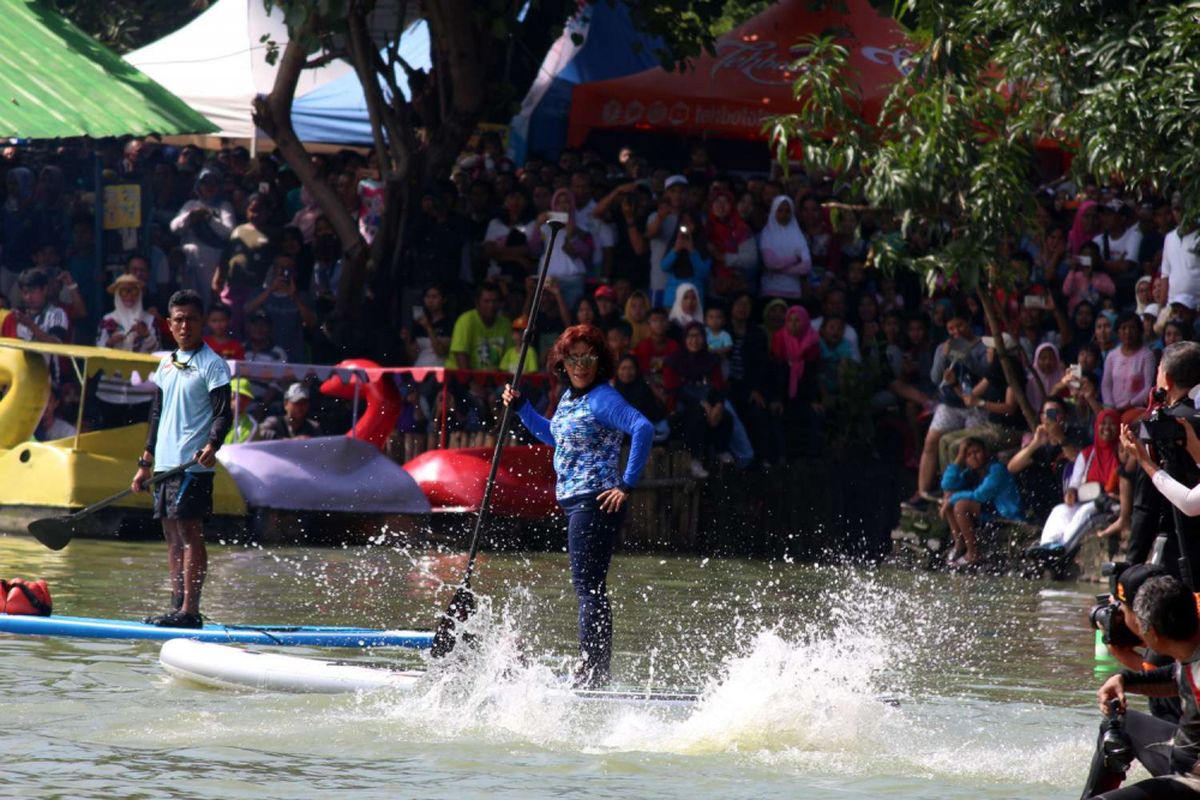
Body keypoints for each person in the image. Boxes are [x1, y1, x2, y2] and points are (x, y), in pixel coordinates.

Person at [503, 324, 654, 688]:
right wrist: (521, 406)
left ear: (599, 361)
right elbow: (553, 434)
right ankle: (594, 669)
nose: (581, 365)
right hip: (575, 502)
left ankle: (594, 672)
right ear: (563, 362)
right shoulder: (570, 399)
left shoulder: (602, 398)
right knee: (588, 586)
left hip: (594, 501)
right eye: (573, 358)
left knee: (588, 587)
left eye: (588, 358)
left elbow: (643, 427)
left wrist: (626, 485)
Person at [132, 290, 233, 629]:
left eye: (190, 319)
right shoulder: (166, 364)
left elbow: (223, 415)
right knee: (172, 536)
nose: (184, 325)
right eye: (178, 320)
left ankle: (190, 611)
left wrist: (213, 444)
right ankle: (177, 608)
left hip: (193, 465)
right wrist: (145, 462)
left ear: (201, 322)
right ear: (170, 325)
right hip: (164, 464)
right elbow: (157, 413)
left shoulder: (213, 365)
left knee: (190, 534)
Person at [1087, 569, 1200, 799]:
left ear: (1153, 634)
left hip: (1193, 780)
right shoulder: (1189, 650)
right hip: (1182, 754)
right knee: (1120, 723)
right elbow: (1176, 677)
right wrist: (1125, 680)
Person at [1123, 341, 1200, 576]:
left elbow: (1146, 508)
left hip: (1176, 547)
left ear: (1166, 380)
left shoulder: (1160, 425)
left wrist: (1129, 572)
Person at [938, 437, 1023, 568]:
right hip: (987, 511)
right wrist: (958, 459)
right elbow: (947, 485)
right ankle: (959, 544)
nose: (974, 457)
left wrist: (951, 500)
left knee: (960, 505)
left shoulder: (997, 469)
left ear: (986, 453)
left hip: (1004, 512)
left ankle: (973, 553)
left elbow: (981, 495)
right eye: (968, 455)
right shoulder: (970, 473)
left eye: (977, 452)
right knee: (949, 496)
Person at [449, 282, 511, 371]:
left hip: (495, 380)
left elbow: (510, 356)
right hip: (462, 379)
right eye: (487, 301)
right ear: (477, 303)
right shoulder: (465, 321)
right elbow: (460, 355)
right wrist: (472, 383)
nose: (491, 305)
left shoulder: (505, 324)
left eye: (495, 301)